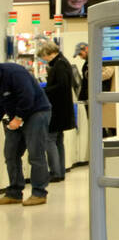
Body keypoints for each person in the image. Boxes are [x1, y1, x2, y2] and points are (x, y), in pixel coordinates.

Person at [0, 61, 52, 206]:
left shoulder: (14, 73)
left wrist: (18, 118)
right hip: (16, 115)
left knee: (35, 154)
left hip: (37, 112)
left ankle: (39, 192)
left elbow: (27, 96)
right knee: (10, 153)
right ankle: (14, 193)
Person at [37, 43, 76, 182]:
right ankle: (60, 171)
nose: (44, 59)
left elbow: (61, 86)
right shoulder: (63, 62)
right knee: (58, 141)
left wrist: (44, 90)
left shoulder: (59, 65)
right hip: (63, 109)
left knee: (50, 140)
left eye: (44, 56)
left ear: (49, 53)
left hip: (57, 109)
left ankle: (55, 172)